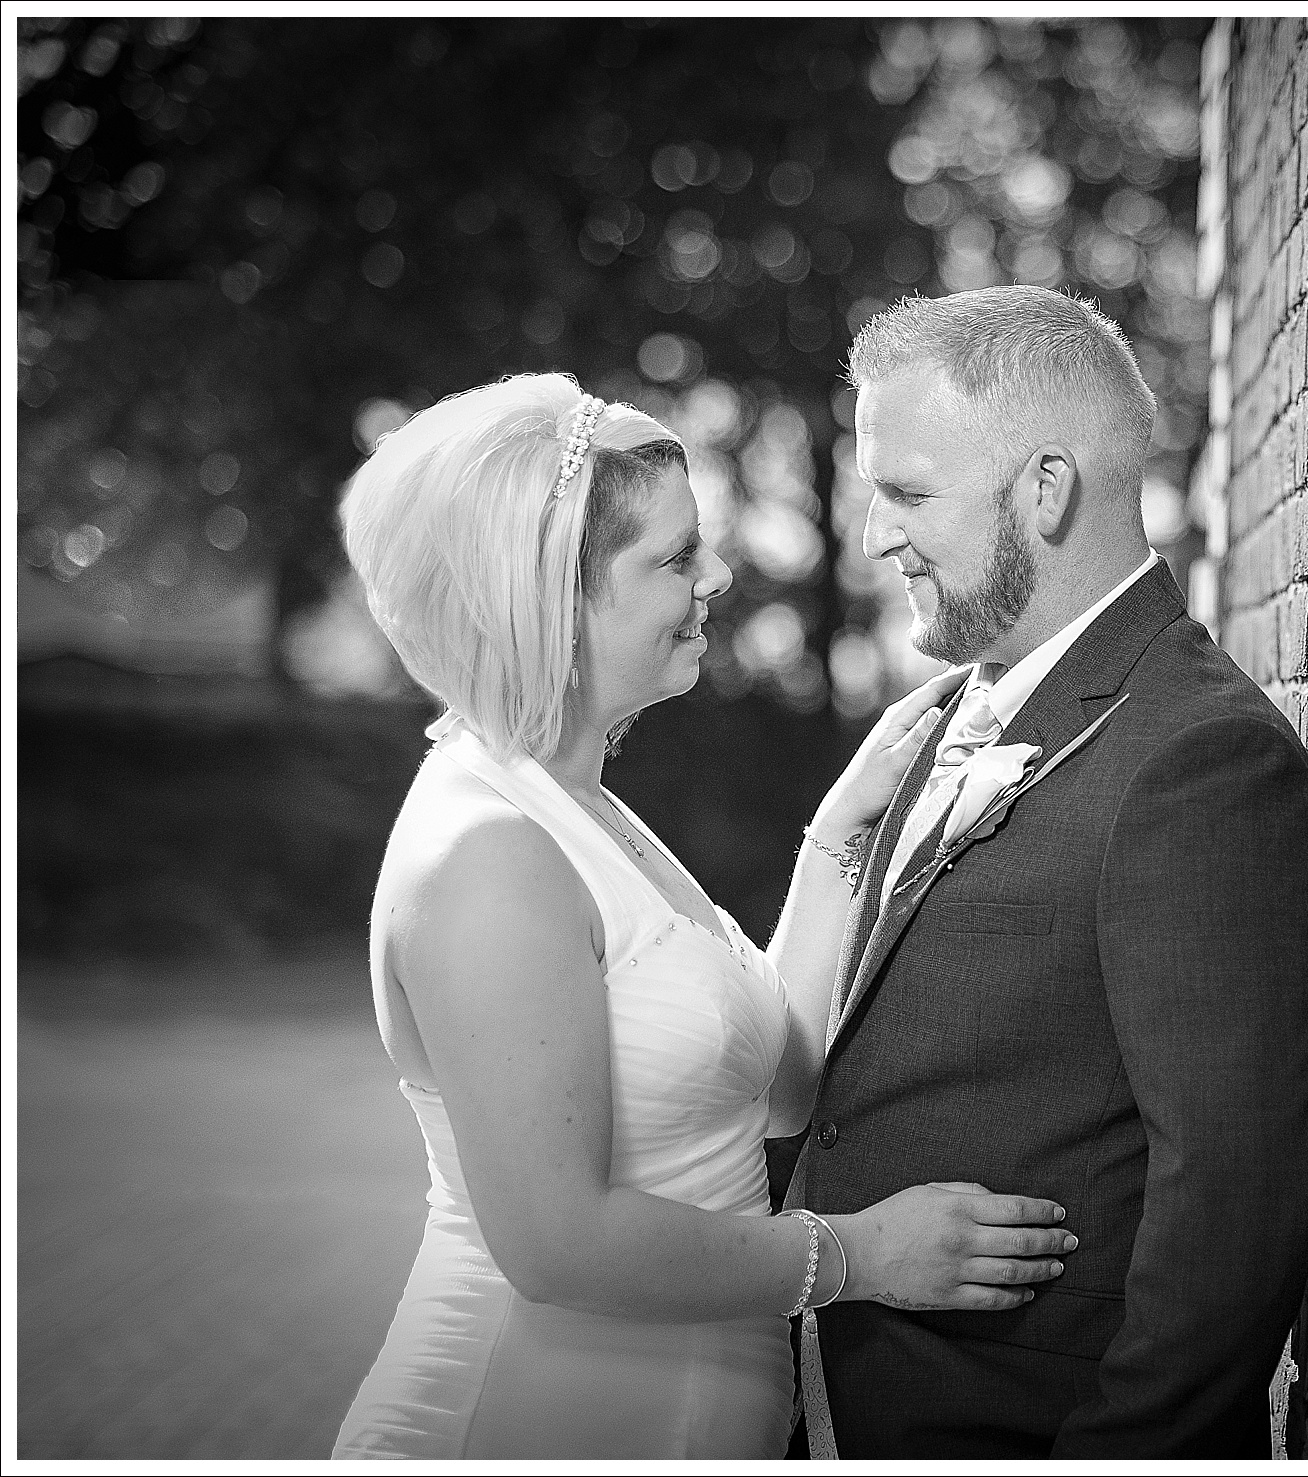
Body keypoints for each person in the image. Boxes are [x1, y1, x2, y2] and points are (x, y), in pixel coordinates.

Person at [330, 373, 1075, 1459]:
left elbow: (781, 1087)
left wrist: (837, 838)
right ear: (553, 597)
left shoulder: (584, 810)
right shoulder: (488, 856)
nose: (717, 576)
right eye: (677, 558)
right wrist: (860, 1254)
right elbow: (558, 1246)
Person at [785, 287, 1308, 1457]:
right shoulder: (943, 718)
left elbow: (1228, 1200)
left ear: (1046, 487)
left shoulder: (1198, 756)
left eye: (911, 493)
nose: (876, 535)